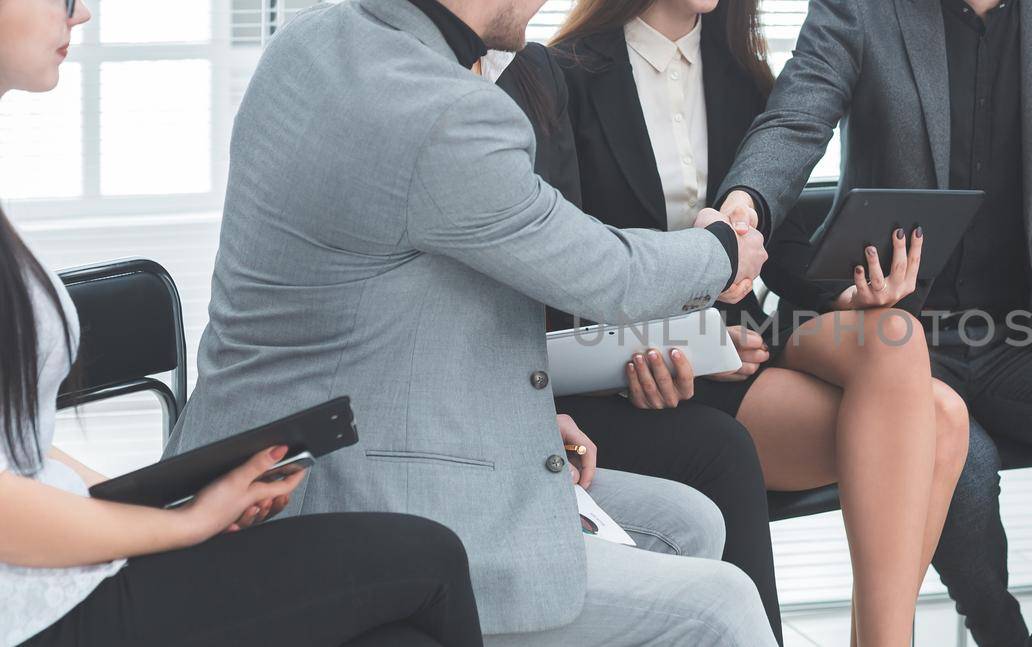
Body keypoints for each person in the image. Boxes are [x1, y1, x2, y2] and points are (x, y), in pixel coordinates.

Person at [162, 0, 778, 643]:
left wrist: (523, 416)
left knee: (690, 522)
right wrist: (723, 252)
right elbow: (608, 276)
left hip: (281, 443)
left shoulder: (310, 40)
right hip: (349, 495)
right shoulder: (446, 111)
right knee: (720, 606)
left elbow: (392, 310)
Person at [719, 0, 1032, 643]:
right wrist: (744, 206)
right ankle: (995, 625)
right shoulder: (863, 9)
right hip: (892, 331)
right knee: (962, 463)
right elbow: (793, 122)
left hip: (1028, 336)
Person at [0, 3, 482, 645]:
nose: (81, 12)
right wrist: (188, 525)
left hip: (54, 579)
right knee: (430, 558)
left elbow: (20, 454)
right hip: (35, 612)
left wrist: (162, 500)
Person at [511, 2, 972, 644]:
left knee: (904, 346)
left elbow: (778, 256)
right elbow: (550, 275)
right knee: (939, 419)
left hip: (740, 358)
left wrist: (854, 293)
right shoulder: (558, 76)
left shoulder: (750, 80)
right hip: (628, 377)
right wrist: (657, 342)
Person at [486, 19, 786, 640]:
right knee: (719, 454)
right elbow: (579, 271)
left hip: (659, 360)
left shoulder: (741, 75)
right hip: (580, 375)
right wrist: (718, 258)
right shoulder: (549, 74)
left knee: (913, 389)